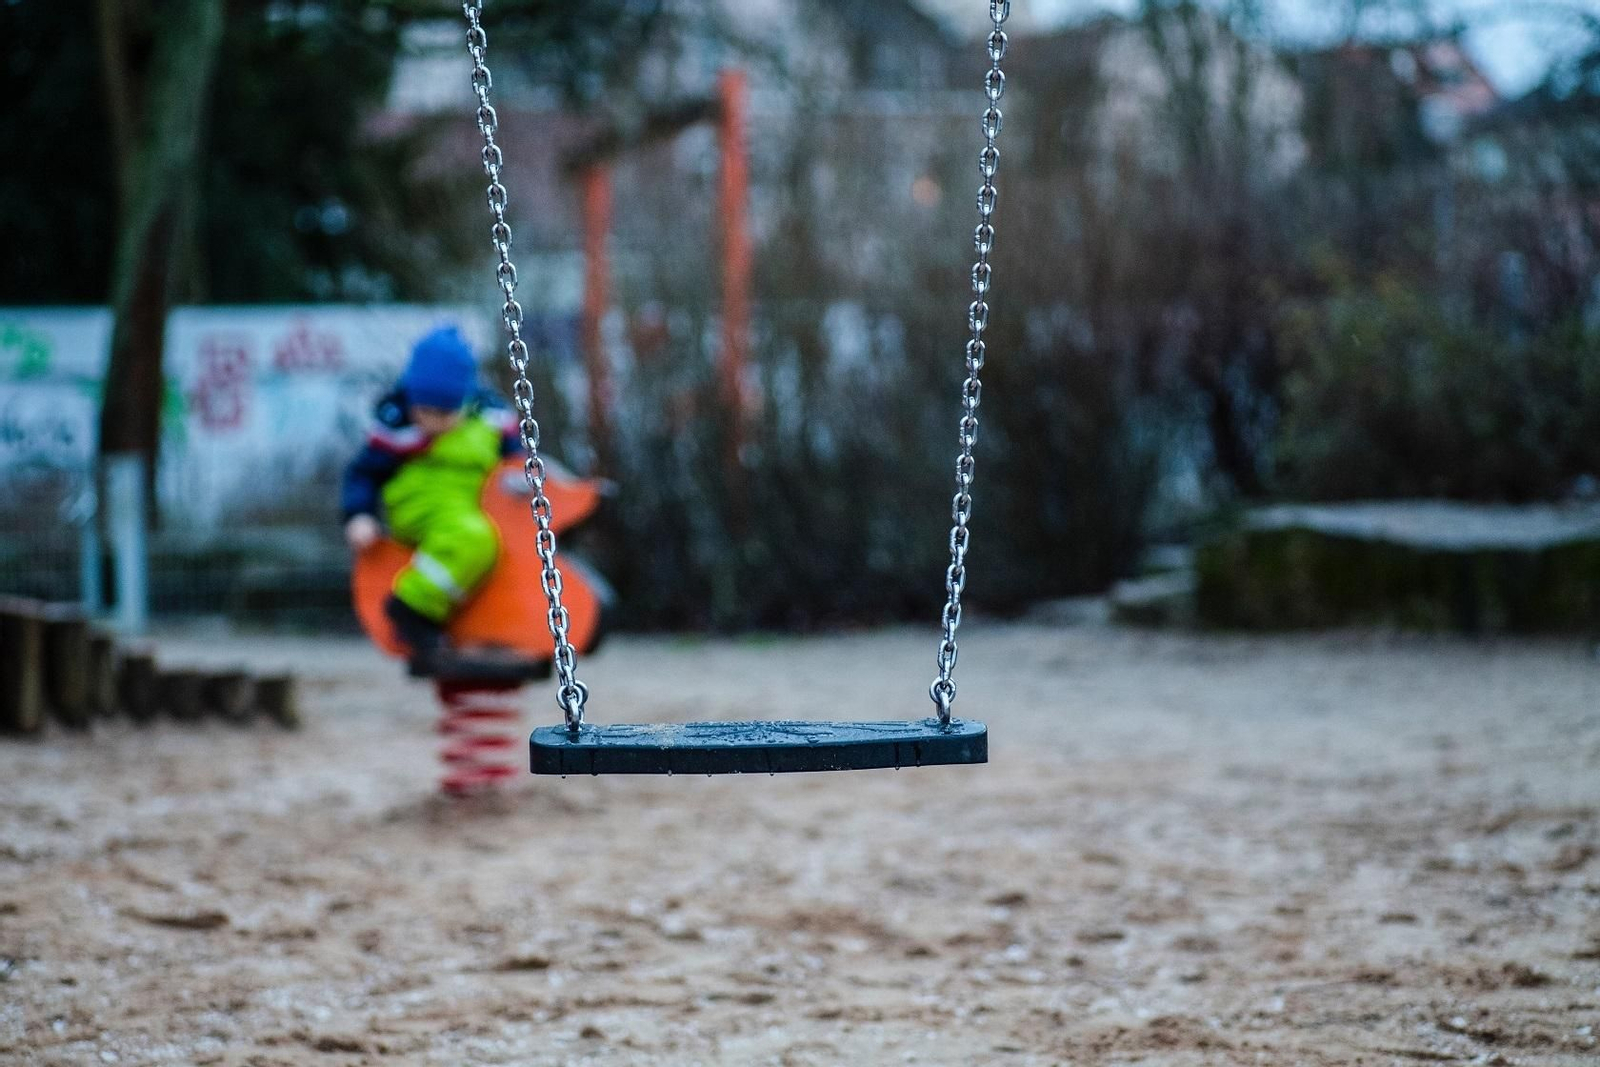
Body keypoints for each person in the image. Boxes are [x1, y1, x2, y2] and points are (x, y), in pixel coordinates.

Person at [341, 325, 521, 670]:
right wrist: (358, 515)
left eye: (444, 413)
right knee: (472, 538)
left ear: (465, 401)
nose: (432, 422)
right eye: (423, 411)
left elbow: (518, 464)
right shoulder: (396, 427)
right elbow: (363, 473)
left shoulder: (491, 421)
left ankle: (472, 617)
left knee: (492, 539)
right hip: (419, 505)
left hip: (471, 506)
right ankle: (411, 606)